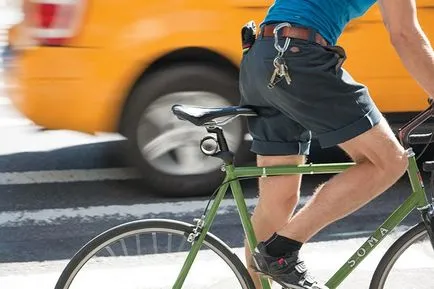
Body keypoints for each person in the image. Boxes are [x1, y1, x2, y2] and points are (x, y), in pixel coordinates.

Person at [238, 0, 434, 288]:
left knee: (278, 198)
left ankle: (266, 267)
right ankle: (280, 251)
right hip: (297, 58)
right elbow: (404, 35)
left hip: (262, 57)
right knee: (389, 160)